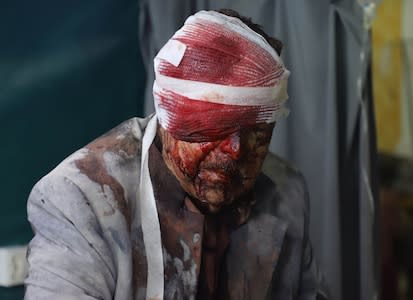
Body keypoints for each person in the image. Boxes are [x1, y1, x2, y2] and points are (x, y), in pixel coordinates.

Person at [24, 9, 327, 300]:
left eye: (257, 133)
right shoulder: (81, 200)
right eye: (214, 126)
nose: (235, 150)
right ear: (169, 113)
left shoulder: (286, 193)